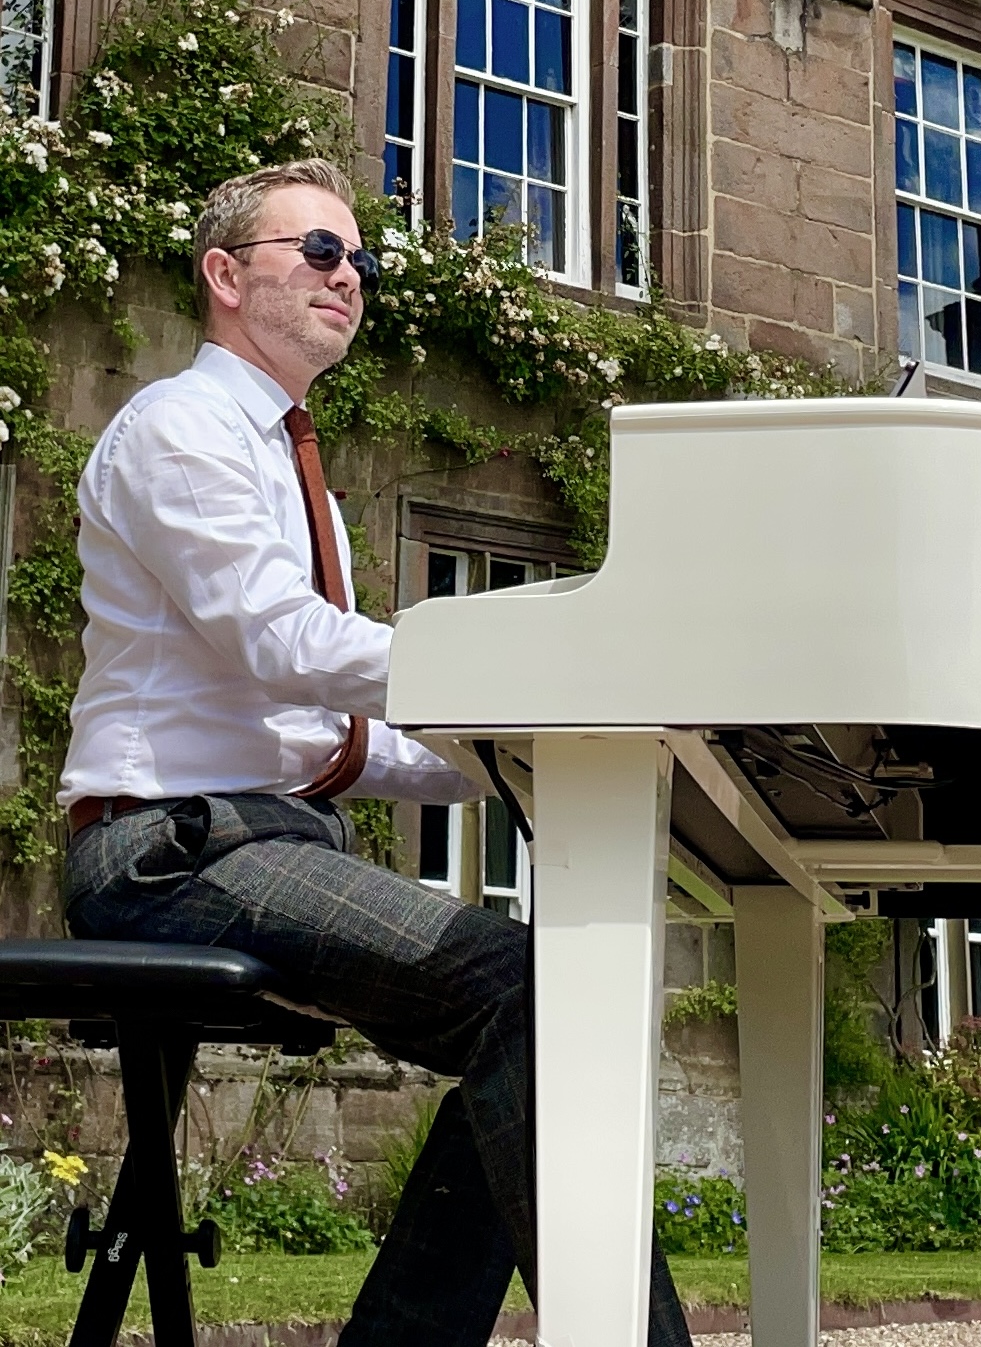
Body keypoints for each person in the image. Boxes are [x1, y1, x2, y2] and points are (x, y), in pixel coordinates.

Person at [58, 159, 693, 1346]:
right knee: (522, 985)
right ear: (224, 276)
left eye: (361, 259)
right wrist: (518, 681)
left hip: (258, 834)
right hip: (165, 853)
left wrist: (517, 748)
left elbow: (329, 736)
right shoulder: (181, 430)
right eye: (317, 251)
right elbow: (282, 638)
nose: (349, 275)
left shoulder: (295, 464)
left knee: (550, 998)